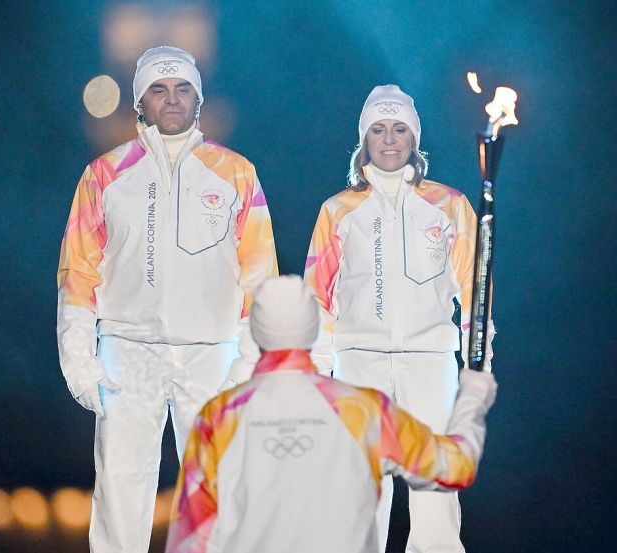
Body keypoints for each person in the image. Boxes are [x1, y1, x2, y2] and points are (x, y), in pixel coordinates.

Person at [56, 45, 277, 552]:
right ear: (140, 103)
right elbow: (78, 270)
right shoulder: (104, 175)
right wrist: (79, 361)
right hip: (127, 351)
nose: (172, 99)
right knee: (120, 492)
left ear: (199, 99)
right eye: (158, 89)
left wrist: (247, 363)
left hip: (212, 352)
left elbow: (260, 275)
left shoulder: (236, 173)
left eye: (183, 89)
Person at [165, 275, 498, 553]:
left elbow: (191, 539)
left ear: (255, 331)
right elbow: (455, 467)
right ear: (314, 330)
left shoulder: (219, 417)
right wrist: (473, 396)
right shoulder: (363, 411)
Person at [303, 84, 496, 552]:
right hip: (358, 366)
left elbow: (476, 292)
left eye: (399, 129)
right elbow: (317, 300)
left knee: (435, 492)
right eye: (378, 129)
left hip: (430, 364)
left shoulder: (450, 206)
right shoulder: (337, 211)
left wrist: (478, 361)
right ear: (364, 139)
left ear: (414, 139)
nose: (389, 139)